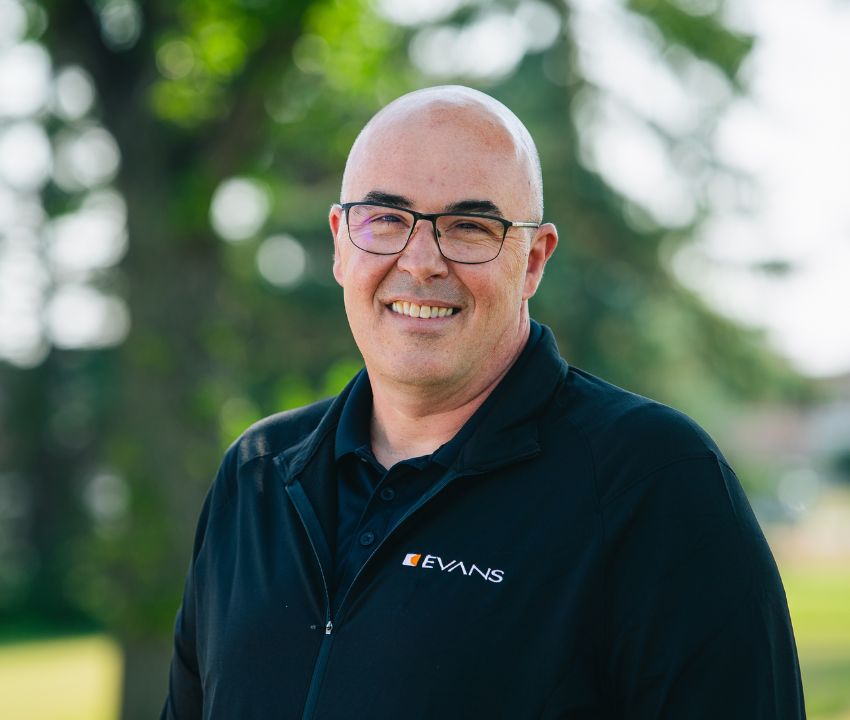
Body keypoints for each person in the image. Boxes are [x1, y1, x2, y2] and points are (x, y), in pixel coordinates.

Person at [161, 85, 805, 719]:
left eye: (470, 227)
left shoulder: (653, 481)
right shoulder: (255, 476)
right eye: (385, 219)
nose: (421, 262)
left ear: (533, 261)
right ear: (340, 240)